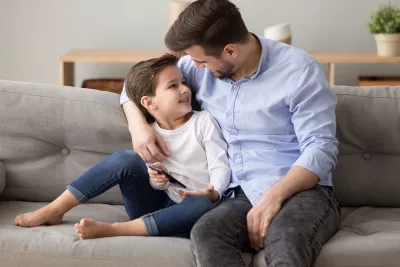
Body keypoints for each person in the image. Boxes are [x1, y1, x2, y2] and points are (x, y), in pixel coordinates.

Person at [119, 0, 341, 266]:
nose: (196, 67)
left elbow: (321, 148)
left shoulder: (300, 71)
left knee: (286, 238)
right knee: (206, 233)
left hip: (302, 190)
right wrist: (138, 126)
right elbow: (134, 87)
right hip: (238, 194)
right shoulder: (197, 67)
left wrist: (273, 197)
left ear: (231, 51)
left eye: (202, 61)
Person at [14, 53, 231, 240]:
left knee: (202, 205)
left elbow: (220, 166)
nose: (184, 89)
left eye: (183, 82)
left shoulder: (203, 123)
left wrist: (212, 193)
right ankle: (54, 209)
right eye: (173, 86)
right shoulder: (148, 133)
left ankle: (115, 230)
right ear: (149, 103)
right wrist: (157, 180)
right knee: (125, 158)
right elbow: (157, 184)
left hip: (192, 212)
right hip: (155, 206)